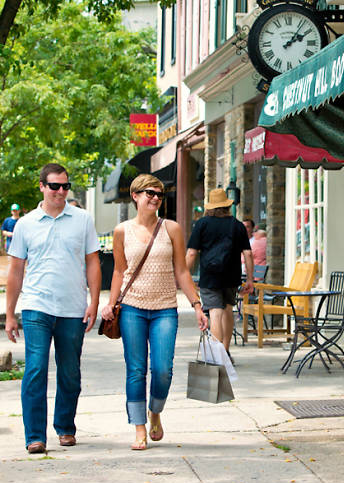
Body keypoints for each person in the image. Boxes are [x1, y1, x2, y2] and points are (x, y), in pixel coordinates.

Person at [101, 174, 207, 451]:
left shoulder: (171, 228)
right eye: (149, 193)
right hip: (133, 308)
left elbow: (182, 271)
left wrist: (197, 305)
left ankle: (155, 412)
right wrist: (110, 304)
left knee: (163, 369)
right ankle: (139, 428)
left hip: (164, 308)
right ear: (135, 196)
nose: (156, 198)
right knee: (136, 370)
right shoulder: (122, 231)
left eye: (159, 194)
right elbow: (118, 271)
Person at [4, 163, 101, 454]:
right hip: (36, 306)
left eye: (65, 186)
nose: (61, 191)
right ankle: (35, 435)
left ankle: (65, 427)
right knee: (35, 368)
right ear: (42, 187)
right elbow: (16, 270)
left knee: (70, 371)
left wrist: (95, 302)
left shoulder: (82, 219)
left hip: (72, 308)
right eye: (55, 186)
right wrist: (10, 314)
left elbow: (93, 262)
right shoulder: (26, 224)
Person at [187, 188, 253, 357]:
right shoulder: (237, 225)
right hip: (232, 276)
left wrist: (185, 276)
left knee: (215, 313)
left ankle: (217, 357)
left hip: (210, 275)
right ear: (226, 205)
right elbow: (248, 253)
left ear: (210, 206)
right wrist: (250, 280)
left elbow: (192, 253)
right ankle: (225, 350)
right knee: (228, 310)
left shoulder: (202, 224)